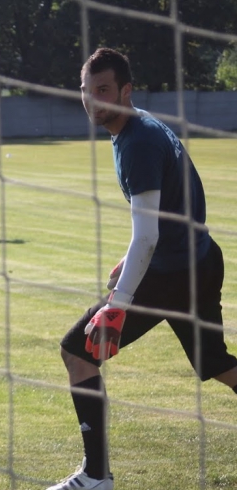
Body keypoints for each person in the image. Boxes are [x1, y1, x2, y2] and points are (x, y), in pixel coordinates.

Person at [48, 47, 237, 490]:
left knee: (78, 353)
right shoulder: (142, 125)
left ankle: (96, 477)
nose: (93, 100)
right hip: (201, 257)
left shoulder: (138, 142)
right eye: (85, 91)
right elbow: (169, 209)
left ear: (125, 91)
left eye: (103, 90)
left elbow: (148, 235)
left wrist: (117, 305)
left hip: (174, 272)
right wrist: (135, 255)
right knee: (213, 362)